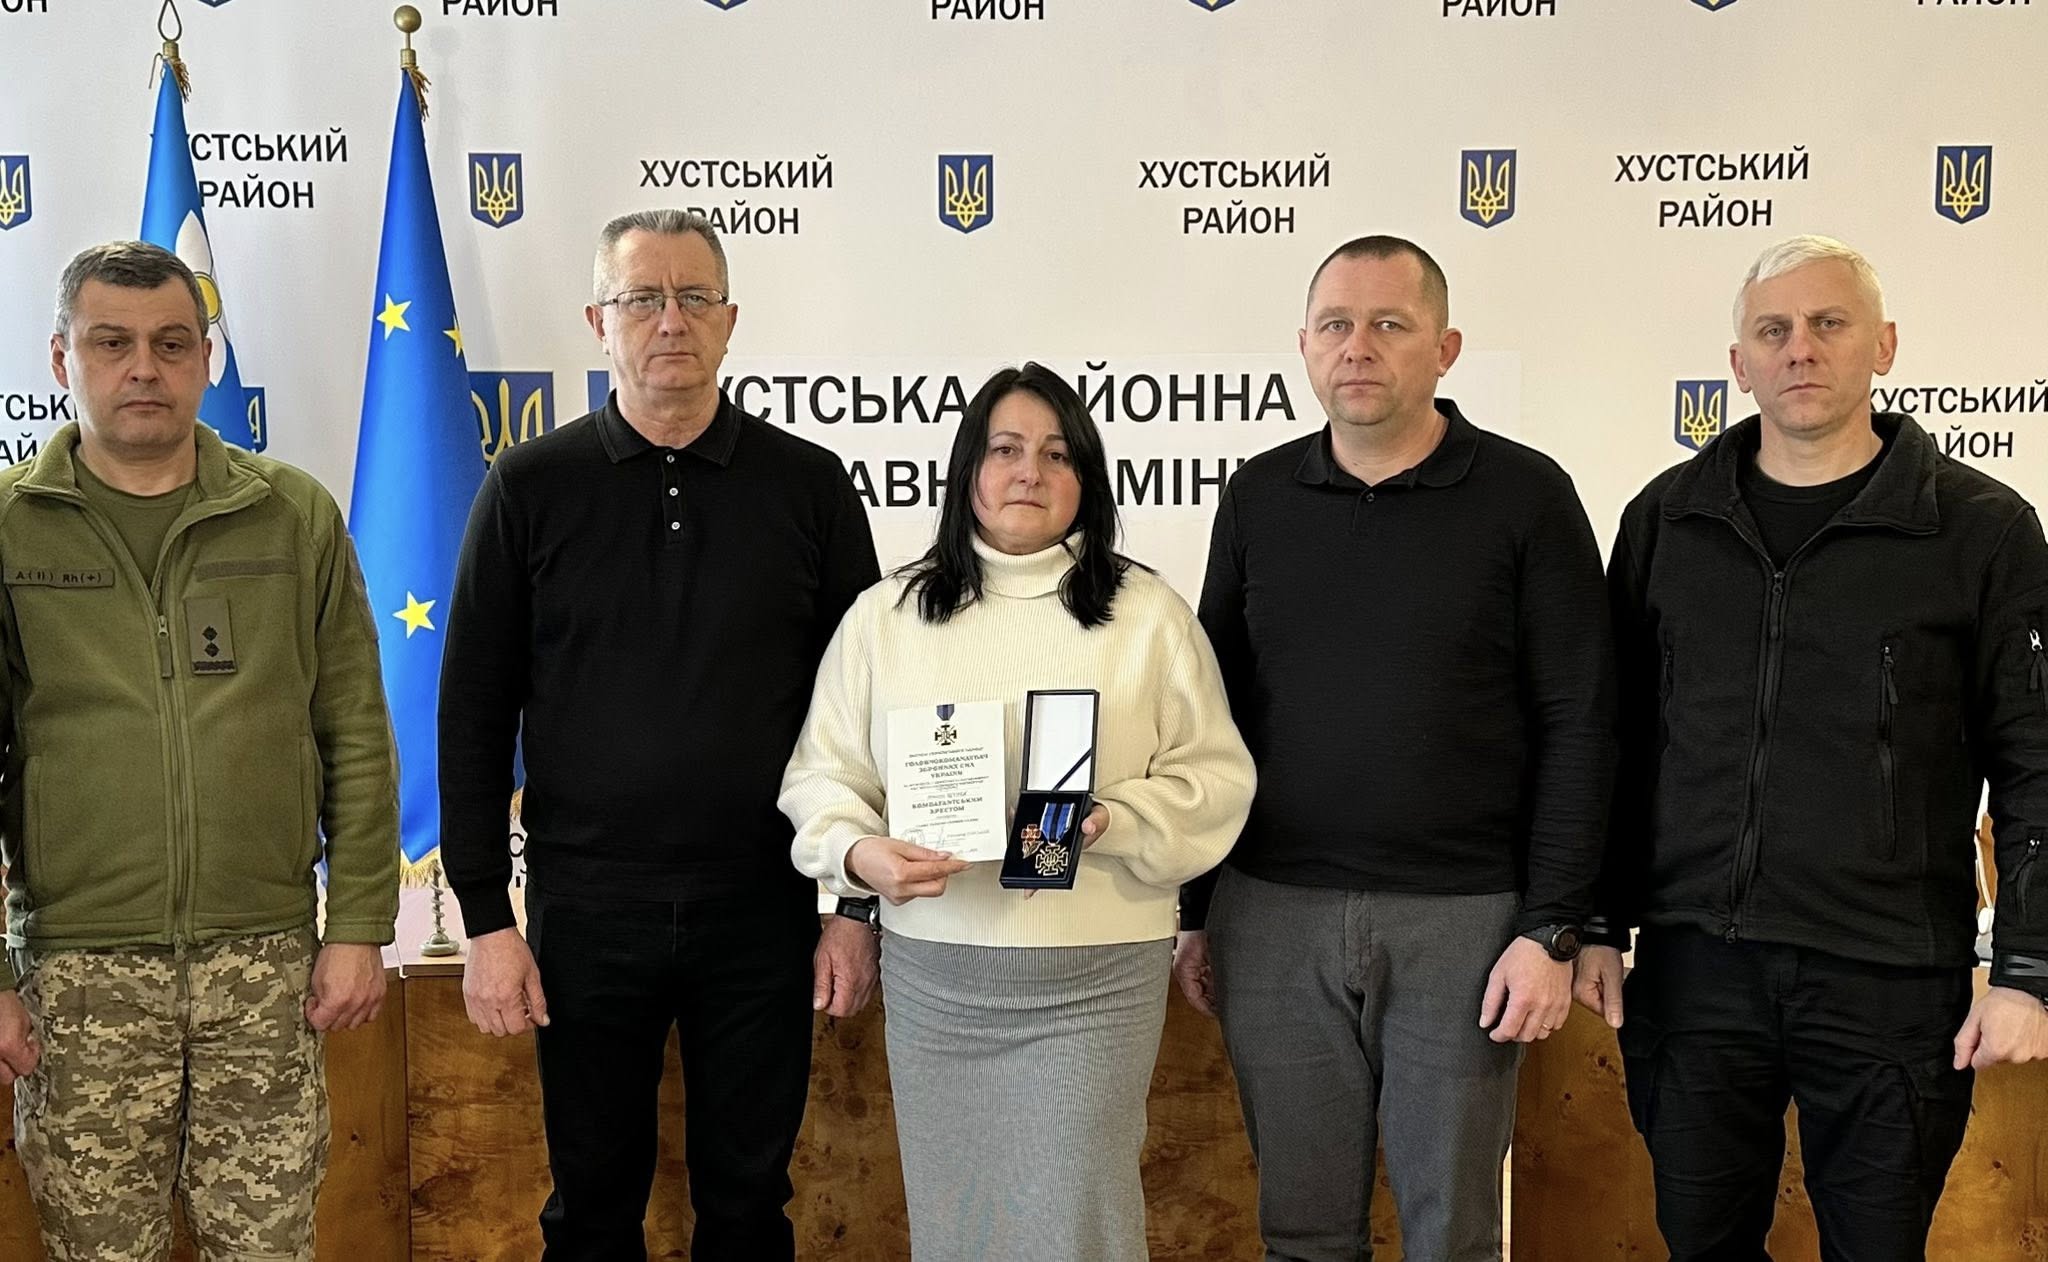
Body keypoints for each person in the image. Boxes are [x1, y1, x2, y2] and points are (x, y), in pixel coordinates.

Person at [1584, 234, 2048, 1261]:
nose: (1799, 348)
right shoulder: (1666, 519)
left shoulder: (1980, 528)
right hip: (1695, 969)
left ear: (1882, 345)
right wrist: (1594, 919)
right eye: (1773, 330)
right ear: (1738, 362)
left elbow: (2035, 761)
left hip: (1890, 978)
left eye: (1827, 323)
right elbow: (1612, 738)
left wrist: (2027, 967)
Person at [438, 209, 882, 1261]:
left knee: (749, 1204)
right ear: (599, 321)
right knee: (590, 1206)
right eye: (642, 298)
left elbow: (866, 711)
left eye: (693, 297)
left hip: (763, 905)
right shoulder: (527, 487)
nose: (669, 320)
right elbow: (471, 712)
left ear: (730, 320)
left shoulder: (809, 485)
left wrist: (854, 908)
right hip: (587, 906)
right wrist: (486, 919)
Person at [1173, 235, 1617, 1261]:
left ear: (1445, 348)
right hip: (1270, 916)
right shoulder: (1257, 496)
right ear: (1303, 345)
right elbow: (1208, 717)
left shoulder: (1526, 496)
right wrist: (1196, 910)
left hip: (1465, 923)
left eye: (1389, 324)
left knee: (1452, 1235)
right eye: (1335, 325)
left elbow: (1581, 719)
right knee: (1301, 1234)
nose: (1357, 347)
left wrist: (1552, 924)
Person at [779, 362, 1256, 1262]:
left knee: (1081, 1222)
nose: (1029, 471)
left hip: (1097, 978)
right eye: (1005, 449)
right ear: (968, 470)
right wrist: (859, 858)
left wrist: (1113, 821)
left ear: (1087, 478)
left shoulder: (1148, 615)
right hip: (938, 977)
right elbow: (821, 779)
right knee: (958, 1223)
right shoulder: (886, 616)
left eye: (1056, 453)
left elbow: (1215, 779)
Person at [0, 240, 399, 1261]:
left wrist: (359, 922)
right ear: (60, 358)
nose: (145, 368)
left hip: (264, 967)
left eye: (172, 344)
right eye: (113, 343)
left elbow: (355, 730)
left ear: (207, 360)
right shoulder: (9, 528)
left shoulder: (290, 514)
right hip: (80, 976)